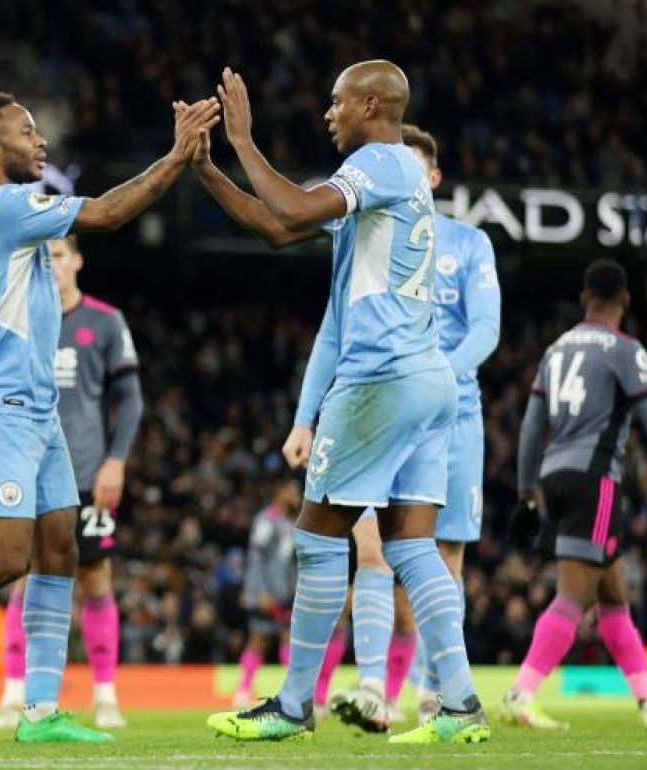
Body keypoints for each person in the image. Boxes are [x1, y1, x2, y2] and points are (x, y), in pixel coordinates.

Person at [0, 91, 220, 744]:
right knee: (6, 558)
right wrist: (176, 158)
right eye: (26, 130)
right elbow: (107, 213)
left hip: (35, 408)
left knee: (60, 550)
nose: (41, 139)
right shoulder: (7, 206)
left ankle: (40, 712)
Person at [194, 60, 490, 744]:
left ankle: (295, 704)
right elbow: (278, 228)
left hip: (380, 378)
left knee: (318, 534)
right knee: (412, 545)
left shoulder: (379, 162)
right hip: (428, 380)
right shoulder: (390, 181)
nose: (328, 114)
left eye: (337, 102)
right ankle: (460, 704)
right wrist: (204, 168)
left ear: (371, 104)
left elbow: (294, 208)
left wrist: (241, 140)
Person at [308, 123, 502, 730]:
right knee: (370, 546)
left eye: (413, 169)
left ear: (433, 178)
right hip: (385, 403)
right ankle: (373, 689)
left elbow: (486, 329)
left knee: (444, 555)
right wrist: (305, 415)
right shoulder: (367, 230)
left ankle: (433, 692)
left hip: (452, 413)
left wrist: (434, 373)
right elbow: (333, 326)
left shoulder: (468, 243)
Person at [501, 258, 647, 730]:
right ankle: (521, 694)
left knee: (614, 594)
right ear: (626, 301)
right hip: (594, 478)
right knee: (574, 594)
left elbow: (532, 427)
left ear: (584, 299)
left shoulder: (556, 349)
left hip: (554, 474)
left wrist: (526, 494)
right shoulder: (625, 349)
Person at [0, 235, 144, 730]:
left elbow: (131, 399)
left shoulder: (105, 321)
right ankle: (14, 695)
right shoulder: (17, 319)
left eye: (57, 255)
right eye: (41, 256)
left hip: (87, 475)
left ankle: (105, 696)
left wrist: (115, 462)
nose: (50, 264)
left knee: (96, 578)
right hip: (30, 475)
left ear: (77, 260)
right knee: (23, 578)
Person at [231, 479, 301, 708]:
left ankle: (292, 692)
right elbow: (256, 557)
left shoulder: (291, 522)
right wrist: (259, 592)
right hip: (266, 593)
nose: (298, 495)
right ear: (280, 491)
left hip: (286, 594)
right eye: (293, 491)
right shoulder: (266, 520)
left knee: (289, 639)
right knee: (258, 639)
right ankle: (243, 690)